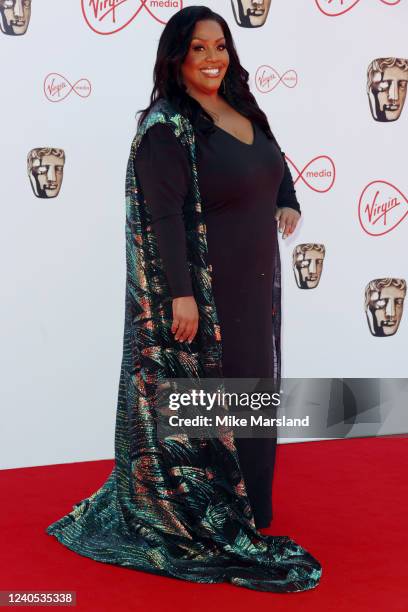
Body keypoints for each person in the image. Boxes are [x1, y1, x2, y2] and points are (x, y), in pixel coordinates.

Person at [46, 6, 322, 593]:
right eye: (199, 48)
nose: (213, 58)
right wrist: (181, 295)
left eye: (220, 46)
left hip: (254, 287)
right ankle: (205, 509)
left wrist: (289, 200)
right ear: (177, 57)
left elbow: (275, 163)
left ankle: (247, 506)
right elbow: (164, 218)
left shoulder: (245, 108)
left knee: (252, 385)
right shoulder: (167, 128)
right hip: (208, 290)